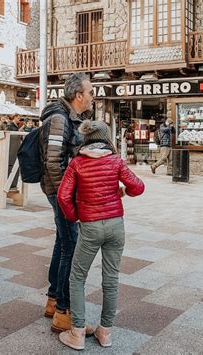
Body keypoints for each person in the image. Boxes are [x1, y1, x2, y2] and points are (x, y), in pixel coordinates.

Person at [57, 120, 145, 350]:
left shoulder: (77, 163)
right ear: (107, 139)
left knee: (77, 277)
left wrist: (75, 216)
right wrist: (123, 190)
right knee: (111, 279)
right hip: (116, 225)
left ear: (86, 139)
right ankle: (105, 332)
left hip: (90, 225)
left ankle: (77, 333)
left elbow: (63, 197)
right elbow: (138, 187)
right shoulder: (116, 161)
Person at [40, 72, 94, 334]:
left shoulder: (72, 117)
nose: (93, 96)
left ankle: (53, 299)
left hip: (61, 190)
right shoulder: (60, 119)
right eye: (91, 92)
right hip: (60, 191)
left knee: (63, 242)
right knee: (71, 247)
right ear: (78, 95)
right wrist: (66, 195)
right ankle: (64, 312)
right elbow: (53, 160)